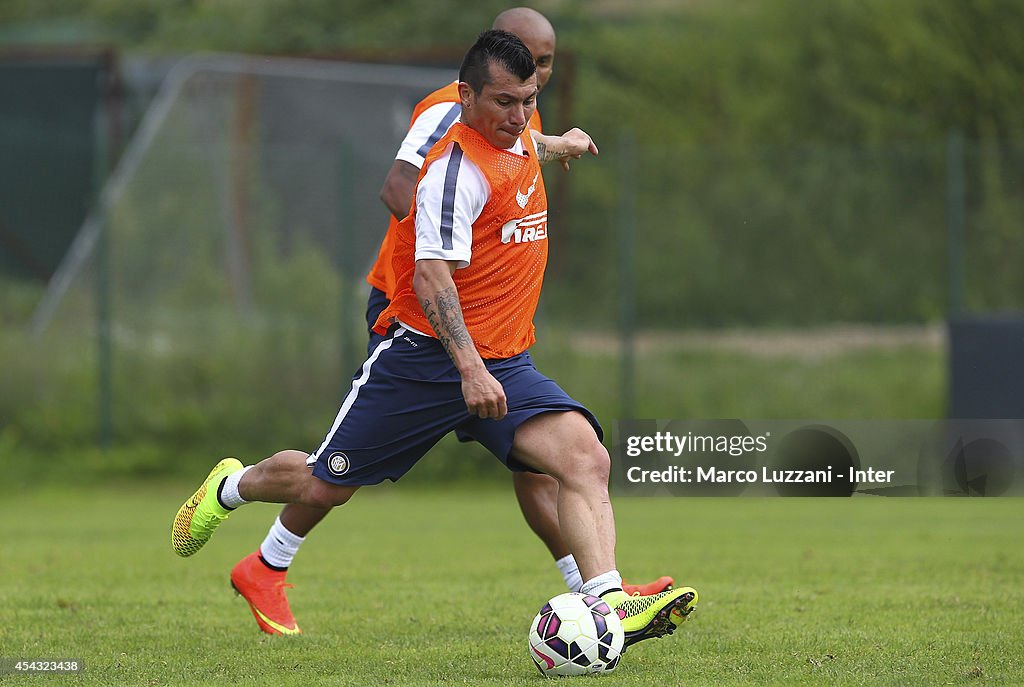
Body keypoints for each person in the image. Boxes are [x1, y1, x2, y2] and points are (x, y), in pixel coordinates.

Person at [173, 29, 697, 650]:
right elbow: (430, 276)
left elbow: (527, 139)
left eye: (528, 99)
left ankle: (606, 604)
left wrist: (562, 143)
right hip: (425, 362)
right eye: (503, 101)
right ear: (466, 95)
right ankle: (229, 488)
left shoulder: (518, 138)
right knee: (323, 484)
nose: (518, 114)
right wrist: (470, 369)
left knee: (584, 458)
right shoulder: (454, 171)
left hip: (506, 358)